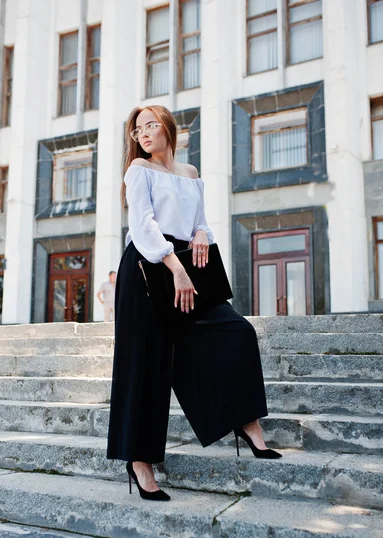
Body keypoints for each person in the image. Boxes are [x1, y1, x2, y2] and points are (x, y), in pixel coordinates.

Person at [107, 105, 281, 502]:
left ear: (169, 127)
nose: (145, 134)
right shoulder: (138, 171)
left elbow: (199, 219)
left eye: (151, 125)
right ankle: (140, 462)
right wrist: (175, 267)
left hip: (189, 264)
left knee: (236, 332)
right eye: (138, 130)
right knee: (145, 366)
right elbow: (144, 225)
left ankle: (247, 423)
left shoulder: (190, 173)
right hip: (149, 268)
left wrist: (201, 233)